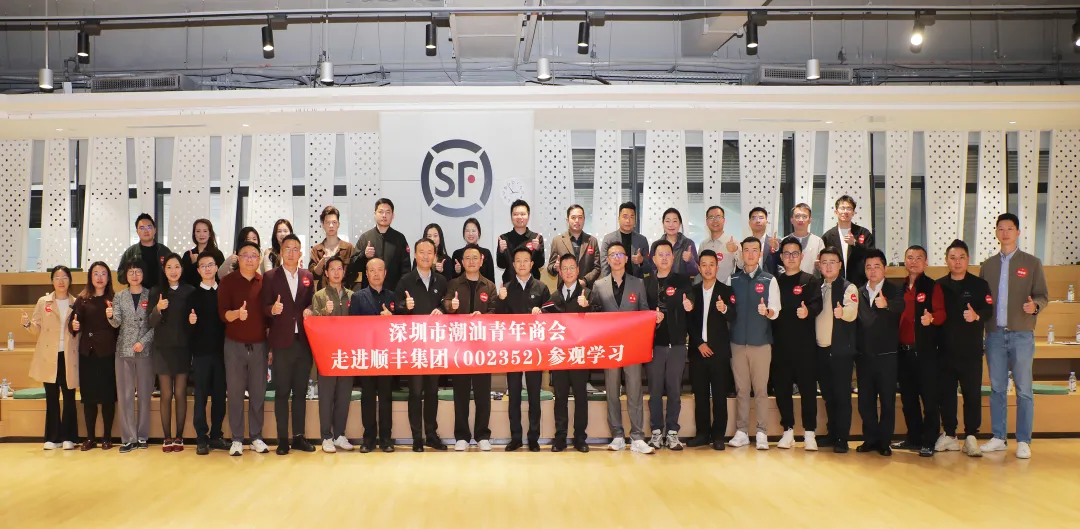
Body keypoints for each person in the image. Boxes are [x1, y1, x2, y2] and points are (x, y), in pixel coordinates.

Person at [979, 213, 1047, 460]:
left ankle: (1024, 440)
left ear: (1018, 232)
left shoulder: (1032, 263)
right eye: (1001, 228)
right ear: (996, 232)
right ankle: (999, 437)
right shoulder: (988, 265)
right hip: (995, 335)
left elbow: (1042, 296)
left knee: (1024, 390)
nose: (1005, 233)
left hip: (1022, 335)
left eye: (1010, 228)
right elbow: (982, 300)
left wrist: (1035, 306)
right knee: (997, 388)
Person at [592, 242, 655, 454]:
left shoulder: (638, 283)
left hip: (632, 346)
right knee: (612, 390)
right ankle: (617, 435)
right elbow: (594, 316)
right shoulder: (599, 285)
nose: (617, 258)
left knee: (635, 390)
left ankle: (637, 436)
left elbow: (644, 311)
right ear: (607, 260)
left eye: (620, 254)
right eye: (612, 255)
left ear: (626, 259)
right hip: (609, 347)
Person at [938, 239, 994, 458]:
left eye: (961, 257)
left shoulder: (979, 285)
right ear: (946, 260)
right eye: (953, 258)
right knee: (947, 395)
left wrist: (976, 315)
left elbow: (989, 310)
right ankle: (950, 434)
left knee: (972, 394)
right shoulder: (939, 285)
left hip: (970, 351)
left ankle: (971, 436)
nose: (957, 262)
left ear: (968, 259)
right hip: (944, 350)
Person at [262, 234, 316, 455]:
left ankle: (299, 437)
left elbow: (311, 302)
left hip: (303, 342)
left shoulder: (307, 276)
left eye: (296, 249)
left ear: (300, 253)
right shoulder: (270, 277)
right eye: (288, 249)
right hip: (281, 342)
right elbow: (263, 307)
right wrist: (272, 310)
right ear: (281, 252)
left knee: (300, 392)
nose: (292, 253)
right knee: (282, 392)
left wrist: (310, 310)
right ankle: (283, 439)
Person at [395, 238, 450, 452]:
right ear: (415, 255)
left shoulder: (442, 281)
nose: (426, 256)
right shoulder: (405, 281)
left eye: (430, 252)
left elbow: (448, 304)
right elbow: (395, 309)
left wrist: (443, 309)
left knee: (432, 391)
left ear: (435, 256)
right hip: (414, 346)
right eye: (421, 252)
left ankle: (431, 435)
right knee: (416, 392)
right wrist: (404, 306)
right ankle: (417, 437)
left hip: (435, 346)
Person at [892, 245, 947, 457]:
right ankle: (913, 438)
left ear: (926, 262)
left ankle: (929, 440)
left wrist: (931, 318)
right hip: (903, 352)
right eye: (910, 257)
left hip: (925, 352)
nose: (913, 261)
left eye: (918, 258)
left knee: (929, 399)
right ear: (905, 261)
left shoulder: (933, 286)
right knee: (908, 399)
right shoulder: (900, 287)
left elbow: (941, 313)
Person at [443, 244, 499, 452]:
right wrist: (451, 307)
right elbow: (446, 304)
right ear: (462, 261)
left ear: (482, 261)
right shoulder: (454, 283)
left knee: (483, 394)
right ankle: (462, 436)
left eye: (475, 257)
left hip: (483, 347)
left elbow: (495, 311)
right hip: (460, 347)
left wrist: (483, 317)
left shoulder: (489, 285)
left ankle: (482, 435)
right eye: (468, 258)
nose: (472, 261)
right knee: (461, 394)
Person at [218, 240, 271, 456]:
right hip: (234, 346)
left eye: (254, 255)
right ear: (238, 258)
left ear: (259, 259)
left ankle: (256, 437)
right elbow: (223, 314)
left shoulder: (265, 282)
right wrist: (237, 314)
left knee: (258, 393)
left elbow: (269, 317)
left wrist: (270, 348)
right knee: (236, 393)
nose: (250, 259)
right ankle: (237, 438)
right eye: (245, 255)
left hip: (259, 345)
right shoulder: (227, 281)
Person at [496, 246, 551, 452]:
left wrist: (541, 312)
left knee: (534, 395)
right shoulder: (506, 288)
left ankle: (533, 438)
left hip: (534, 350)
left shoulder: (541, 288)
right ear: (513, 264)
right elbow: (498, 319)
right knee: (514, 396)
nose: (521, 264)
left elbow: (551, 316)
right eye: (518, 260)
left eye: (525, 260)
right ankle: (516, 437)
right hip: (513, 350)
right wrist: (500, 300)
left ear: (532, 264)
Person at [771, 237, 824, 450]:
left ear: (801, 256)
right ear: (781, 257)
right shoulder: (775, 282)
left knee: (808, 390)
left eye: (795, 253)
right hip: (780, 346)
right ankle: (788, 431)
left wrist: (808, 311)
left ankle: (810, 432)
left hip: (805, 347)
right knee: (782, 390)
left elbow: (817, 304)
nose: (791, 257)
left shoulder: (810, 280)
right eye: (787, 254)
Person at [728, 237, 780, 450]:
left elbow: (776, 310)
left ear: (760, 254)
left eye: (754, 250)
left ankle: (761, 432)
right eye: (746, 250)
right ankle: (741, 431)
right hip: (737, 343)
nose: (750, 254)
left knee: (760, 390)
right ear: (741, 253)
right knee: (741, 389)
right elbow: (728, 310)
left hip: (761, 343)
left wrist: (767, 311)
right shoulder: (733, 279)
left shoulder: (769, 280)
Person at [643, 239, 694, 451]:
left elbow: (691, 300)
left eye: (667, 254)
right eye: (660, 255)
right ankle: (656, 432)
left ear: (673, 258)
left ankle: (672, 432)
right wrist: (651, 317)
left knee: (674, 390)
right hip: (653, 344)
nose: (664, 258)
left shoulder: (683, 280)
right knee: (654, 390)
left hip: (677, 343)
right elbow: (640, 311)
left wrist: (689, 304)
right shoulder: (646, 283)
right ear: (653, 259)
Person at [855, 249, 905, 457]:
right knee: (865, 401)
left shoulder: (894, 290)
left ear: (884, 268)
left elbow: (901, 307)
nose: (872, 271)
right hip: (864, 356)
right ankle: (870, 439)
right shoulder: (858, 292)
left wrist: (887, 305)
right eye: (869, 267)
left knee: (886, 401)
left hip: (887, 356)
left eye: (877, 266)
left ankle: (884, 442)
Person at [23, 266, 78, 450]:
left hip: (68, 355)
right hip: (49, 355)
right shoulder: (43, 301)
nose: (61, 281)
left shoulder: (76, 302)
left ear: (70, 280)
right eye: (57, 278)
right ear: (52, 281)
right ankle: (52, 438)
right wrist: (27, 324)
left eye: (64, 277)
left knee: (69, 396)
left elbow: (80, 329)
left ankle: (69, 437)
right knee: (52, 396)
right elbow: (36, 329)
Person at [544, 253, 594, 453]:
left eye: (572, 267)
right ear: (559, 271)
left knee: (581, 397)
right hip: (559, 356)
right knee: (560, 398)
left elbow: (602, 321)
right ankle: (560, 438)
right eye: (564, 268)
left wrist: (589, 307)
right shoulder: (553, 297)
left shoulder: (588, 294)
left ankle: (580, 438)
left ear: (578, 270)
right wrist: (538, 312)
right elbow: (544, 324)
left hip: (580, 355)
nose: (568, 272)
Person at [686, 250, 736, 450]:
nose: (707, 268)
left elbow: (734, 316)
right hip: (698, 351)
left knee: (719, 395)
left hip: (719, 353)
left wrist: (725, 309)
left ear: (717, 267)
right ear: (699, 268)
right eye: (704, 264)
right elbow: (688, 321)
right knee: (700, 395)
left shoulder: (726, 291)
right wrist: (699, 343)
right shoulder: (693, 291)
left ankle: (718, 436)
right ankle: (702, 434)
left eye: (711, 264)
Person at [68, 262, 118, 451]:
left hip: (107, 352)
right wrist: (73, 327)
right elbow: (73, 322)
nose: (99, 277)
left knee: (107, 397)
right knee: (88, 397)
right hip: (87, 352)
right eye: (96, 273)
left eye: (103, 273)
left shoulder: (114, 299)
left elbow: (119, 326)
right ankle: (90, 438)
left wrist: (113, 317)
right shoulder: (82, 299)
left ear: (108, 277)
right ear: (90, 277)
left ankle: (107, 437)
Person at [148, 253, 196, 452]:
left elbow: (195, 322)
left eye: (177, 266)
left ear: (182, 269)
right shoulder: (156, 291)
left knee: (180, 393)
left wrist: (194, 321)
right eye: (169, 267)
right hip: (162, 348)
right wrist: (158, 309)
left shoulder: (190, 291)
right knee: (166, 394)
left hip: (183, 348)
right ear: (164, 270)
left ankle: (179, 437)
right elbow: (150, 322)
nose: (173, 271)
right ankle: (167, 437)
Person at [349, 258, 397, 453]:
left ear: (385, 273)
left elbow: (401, 327)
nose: (376, 274)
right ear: (366, 274)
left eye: (380, 270)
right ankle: (368, 439)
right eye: (372, 270)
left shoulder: (393, 296)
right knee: (368, 397)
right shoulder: (358, 297)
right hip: (366, 354)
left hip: (386, 354)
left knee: (386, 397)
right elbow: (353, 326)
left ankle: (386, 438)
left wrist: (392, 318)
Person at [108, 260, 156, 453]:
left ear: (143, 274)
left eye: (138, 271)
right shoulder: (119, 296)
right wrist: (110, 315)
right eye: (131, 272)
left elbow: (156, 324)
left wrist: (143, 341)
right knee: (125, 395)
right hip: (124, 351)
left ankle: (143, 436)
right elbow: (116, 323)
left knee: (144, 395)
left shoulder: (151, 295)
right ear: (126, 276)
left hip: (145, 350)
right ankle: (128, 438)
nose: (134, 275)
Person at [815, 247, 859, 453]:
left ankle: (842, 438)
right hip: (821, 350)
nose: (828, 266)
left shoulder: (848, 288)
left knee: (842, 396)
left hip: (840, 351)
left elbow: (852, 312)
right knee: (828, 395)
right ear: (819, 265)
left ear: (840, 265)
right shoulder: (818, 287)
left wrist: (843, 313)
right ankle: (832, 433)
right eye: (824, 262)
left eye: (832, 262)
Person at [311, 255, 354, 453]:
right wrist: (324, 313)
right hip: (326, 354)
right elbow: (314, 325)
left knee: (344, 396)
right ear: (326, 273)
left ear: (344, 272)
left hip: (347, 354)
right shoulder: (319, 296)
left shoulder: (353, 296)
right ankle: (326, 437)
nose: (336, 272)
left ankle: (339, 435)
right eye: (332, 269)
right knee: (326, 397)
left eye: (340, 268)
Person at [189, 252, 229, 456]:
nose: (207, 268)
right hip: (201, 354)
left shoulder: (224, 292)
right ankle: (201, 437)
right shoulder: (192, 295)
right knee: (201, 396)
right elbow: (186, 327)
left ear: (216, 267)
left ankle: (216, 435)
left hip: (222, 353)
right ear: (198, 270)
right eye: (203, 265)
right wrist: (191, 322)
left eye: (210, 265)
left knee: (220, 396)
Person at [348, 198, 412, 291]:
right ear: (375, 214)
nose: (384, 215)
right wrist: (364, 255)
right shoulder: (365, 237)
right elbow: (352, 266)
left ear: (393, 215)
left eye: (388, 212)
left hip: (393, 292)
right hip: (369, 293)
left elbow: (406, 269)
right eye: (381, 212)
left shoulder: (399, 238)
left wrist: (401, 291)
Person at [822, 196, 875, 287]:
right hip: (835, 284)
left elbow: (872, 256)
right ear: (836, 212)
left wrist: (855, 243)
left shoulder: (863, 233)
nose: (845, 211)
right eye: (842, 208)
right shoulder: (828, 236)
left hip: (859, 284)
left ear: (853, 213)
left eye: (849, 208)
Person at [546, 204, 602, 289]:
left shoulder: (592, 241)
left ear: (584, 220)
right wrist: (555, 268)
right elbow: (550, 268)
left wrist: (585, 281)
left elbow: (597, 268)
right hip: (564, 289)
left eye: (580, 217)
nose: (577, 221)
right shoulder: (557, 241)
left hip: (586, 290)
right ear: (567, 220)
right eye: (573, 217)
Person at [118, 213, 172, 291]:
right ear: (137, 231)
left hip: (160, 293)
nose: (146, 231)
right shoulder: (131, 252)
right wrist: (131, 275)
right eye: (142, 228)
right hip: (137, 294)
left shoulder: (164, 251)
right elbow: (120, 276)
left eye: (149, 227)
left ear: (155, 230)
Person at [496, 199, 545, 284]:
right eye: (515, 214)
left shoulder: (536, 238)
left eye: (522, 214)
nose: (519, 217)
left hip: (532, 285)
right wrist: (501, 251)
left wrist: (537, 249)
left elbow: (540, 264)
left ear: (528, 217)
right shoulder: (504, 238)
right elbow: (501, 265)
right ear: (511, 217)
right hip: (510, 285)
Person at [600, 202, 653, 278]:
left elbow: (648, 268)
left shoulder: (642, 240)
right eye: (625, 217)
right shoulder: (608, 239)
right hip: (614, 282)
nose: (628, 220)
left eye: (631, 217)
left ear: (635, 220)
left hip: (636, 282)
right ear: (618, 219)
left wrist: (641, 261)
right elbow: (604, 267)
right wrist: (609, 283)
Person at [309, 205, 356, 290]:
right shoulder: (316, 250)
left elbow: (354, 274)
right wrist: (322, 262)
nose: (331, 225)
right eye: (327, 222)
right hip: (323, 294)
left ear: (338, 224)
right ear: (323, 225)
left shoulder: (349, 248)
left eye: (334, 222)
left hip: (344, 294)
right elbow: (313, 275)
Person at [698, 205, 739, 285]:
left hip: (727, 288)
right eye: (711, 217)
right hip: (706, 288)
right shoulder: (703, 244)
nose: (715, 220)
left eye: (718, 217)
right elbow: (700, 269)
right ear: (707, 222)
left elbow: (742, 265)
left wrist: (736, 250)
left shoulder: (733, 242)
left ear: (724, 220)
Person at [734, 207, 780, 275]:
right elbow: (739, 269)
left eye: (761, 218)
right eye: (754, 218)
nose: (758, 221)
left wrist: (776, 249)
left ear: (767, 222)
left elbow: (783, 263)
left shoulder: (777, 243)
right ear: (749, 223)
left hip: (770, 280)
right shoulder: (742, 245)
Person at [181, 219, 225, 286]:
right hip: (192, 291)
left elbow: (221, 277)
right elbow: (184, 279)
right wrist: (193, 264)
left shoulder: (217, 254)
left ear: (210, 234)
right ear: (194, 234)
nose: (201, 234)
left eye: (205, 231)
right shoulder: (188, 254)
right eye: (198, 231)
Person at [785, 204, 825, 275]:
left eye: (804, 217)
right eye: (797, 216)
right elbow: (779, 266)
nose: (801, 220)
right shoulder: (784, 241)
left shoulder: (818, 242)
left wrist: (820, 266)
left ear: (810, 220)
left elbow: (824, 265)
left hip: (812, 281)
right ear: (791, 220)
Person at [451, 217, 495, 282]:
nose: (470, 234)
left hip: (482, 288)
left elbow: (491, 279)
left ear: (479, 233)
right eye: (467, 231)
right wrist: (457, 272)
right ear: (464, 233)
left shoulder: (486, 253)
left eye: (473, 231)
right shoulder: (457, 254)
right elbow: (452, 281)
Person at [660, 208, 699, 277]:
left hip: (683, 283)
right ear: (663, 224)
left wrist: (690, 260)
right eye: (667, 221)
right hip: (661, 283)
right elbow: (652, 270)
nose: (671, 225)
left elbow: (695, 272)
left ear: (680, 224)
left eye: (675, 221)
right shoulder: (657, 245)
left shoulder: (688, 244)